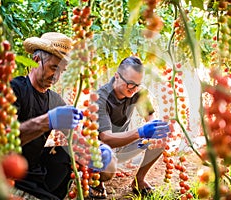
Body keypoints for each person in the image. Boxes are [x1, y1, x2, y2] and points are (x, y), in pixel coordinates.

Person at [9, 32, 112, 200]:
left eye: (62, 71)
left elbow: (76, 138)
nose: (56, 77)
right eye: (54, 67)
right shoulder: (13, 90)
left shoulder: (55, 100)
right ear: (36, 61)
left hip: (32, 171)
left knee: (66, 156)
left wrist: (94, 151)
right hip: (4, 173)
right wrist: (47, 121)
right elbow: (1, 140)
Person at [94, 56, 170, 199]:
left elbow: (150, 118)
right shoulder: (100, 98)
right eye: (130, 84)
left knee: (160, 136)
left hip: (123, 145)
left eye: (138, 84)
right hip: (101, 148)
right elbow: (105, 137)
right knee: (105, 160)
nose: (134, 89)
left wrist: (152, 130)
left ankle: (138, 181)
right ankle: (97, 182)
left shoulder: (138, 92)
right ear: (117, 76)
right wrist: (140, 132)